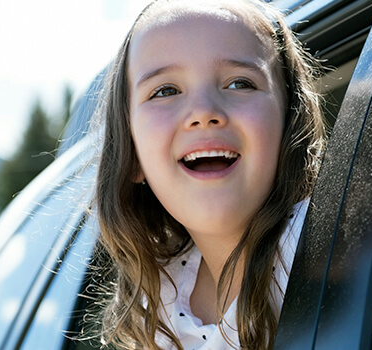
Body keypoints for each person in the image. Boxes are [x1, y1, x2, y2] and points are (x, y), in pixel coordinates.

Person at [89, 0, 325, 349]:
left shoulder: (324, 242)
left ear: (289, 123)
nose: (203, 112)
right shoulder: (158, 301)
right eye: (165, 91)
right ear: (132, 155)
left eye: (240, 84)